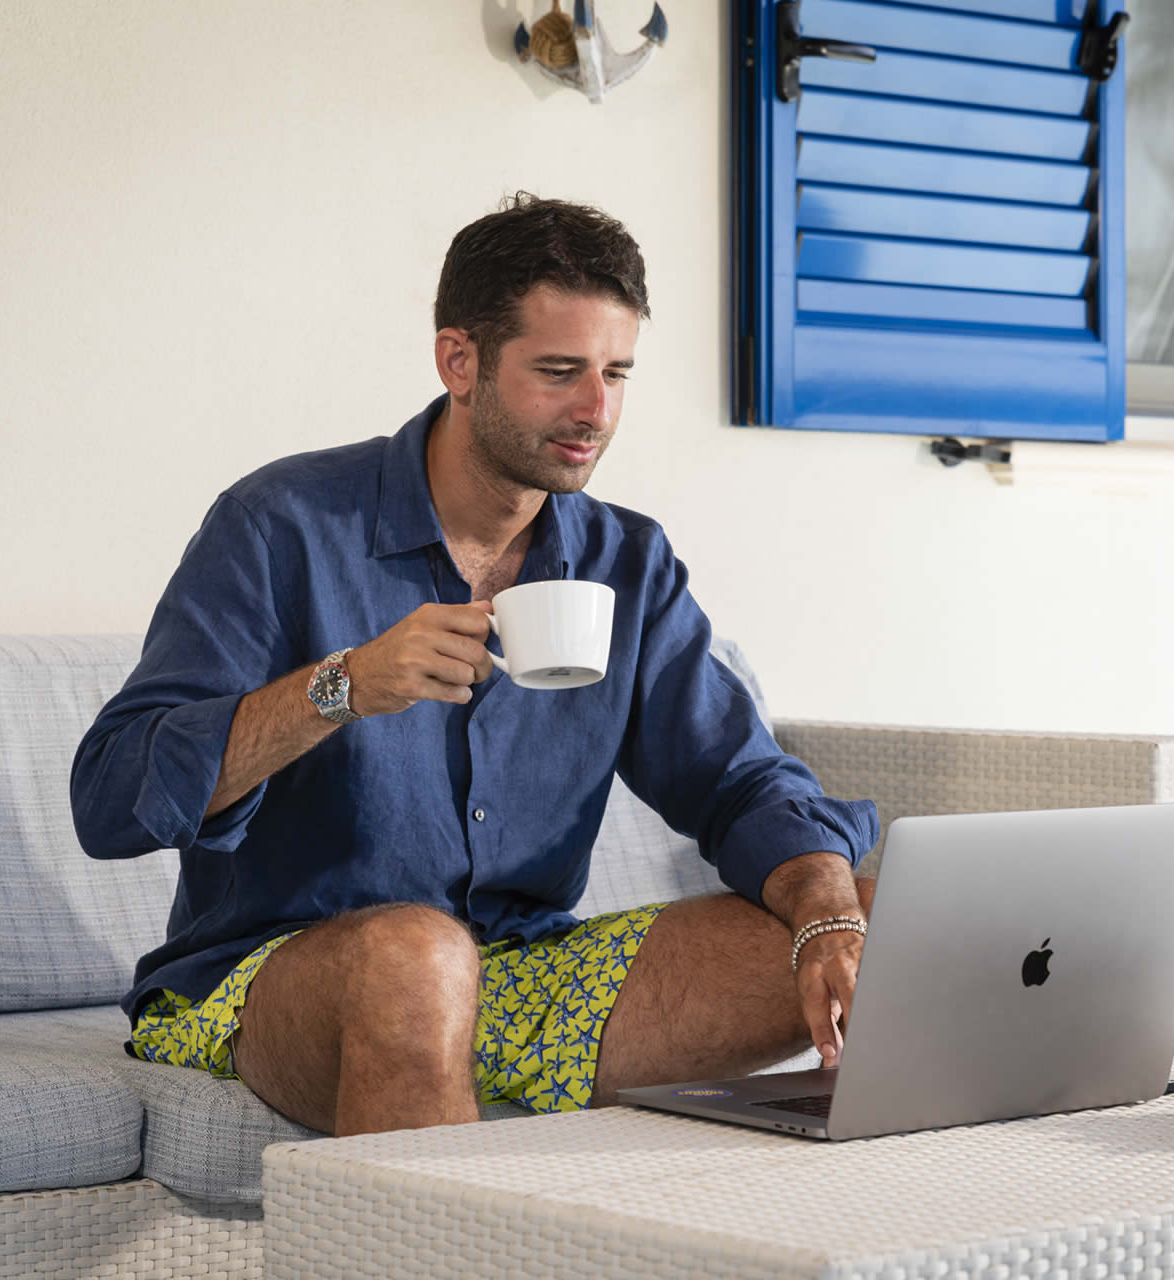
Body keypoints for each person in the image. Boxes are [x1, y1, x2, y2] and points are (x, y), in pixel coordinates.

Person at [70, 194, 880, 1136]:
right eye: (559, 371)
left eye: (617, 373)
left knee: (883, 923)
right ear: (460, 361)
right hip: (272, 977)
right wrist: (342, 687)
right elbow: (111, 797)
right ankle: (451, 1221)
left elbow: (739, 781)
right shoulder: (281, 525)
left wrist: (828, 909)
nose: (597, 410)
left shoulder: (627, 561)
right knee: (417, 959)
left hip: (524, 969)